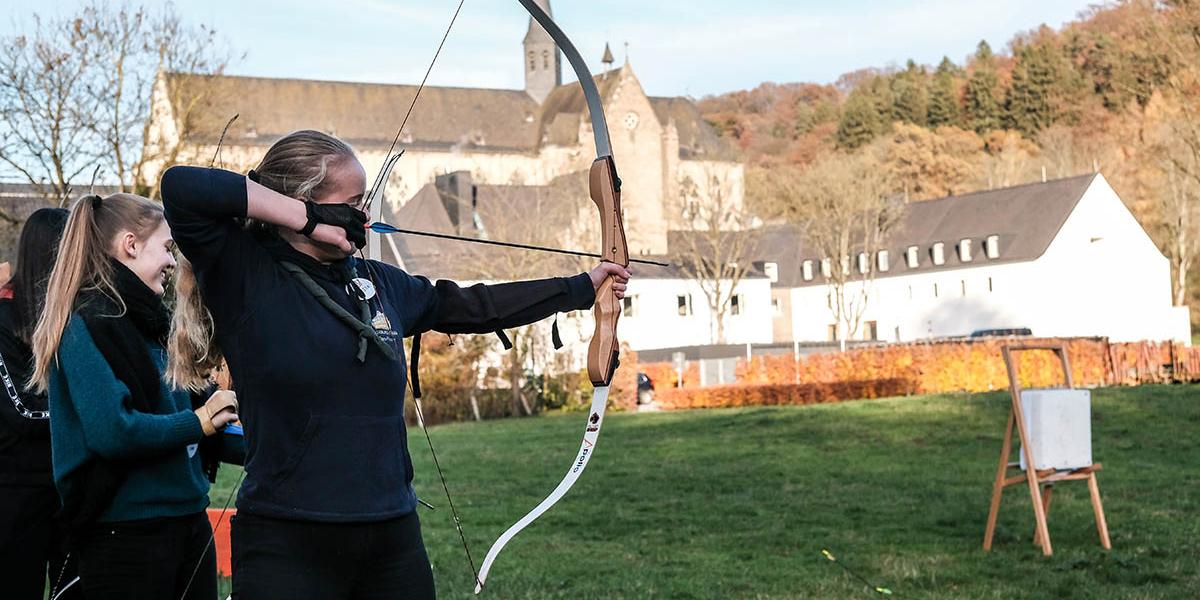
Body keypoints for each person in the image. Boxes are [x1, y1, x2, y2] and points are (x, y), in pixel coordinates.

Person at [160, 129, 630, 599]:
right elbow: (182, 188)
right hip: (288, 539)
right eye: (354, 202)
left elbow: (473, 305)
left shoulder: (376, 283)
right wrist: (309, 221)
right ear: (305, 205)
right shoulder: (246, 275)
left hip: (390, 536)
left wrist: (581, 287)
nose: (364, 215)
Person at [28, 193, 244, 600]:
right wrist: (199, 422)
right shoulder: (85, 324)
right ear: (131, 245)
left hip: (188, 523)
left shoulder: (152, 324)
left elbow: (194, 413)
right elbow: (113, 431)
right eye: (166, 248)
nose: (171, 262)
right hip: (126, 536)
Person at [0, 208, 81, 599]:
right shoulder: (2, 319)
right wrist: (94, 416)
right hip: (16, 493)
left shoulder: (78, 319)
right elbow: (21, 412)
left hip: (72, 488)